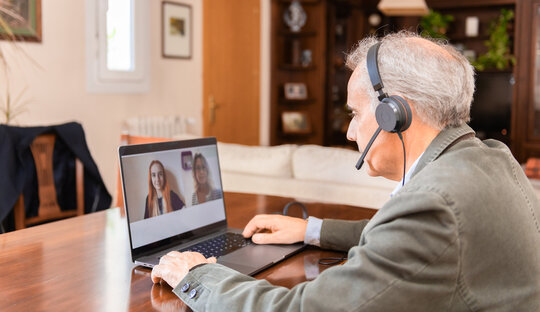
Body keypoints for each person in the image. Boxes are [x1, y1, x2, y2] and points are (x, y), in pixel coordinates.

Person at [151, 32, 540, 310]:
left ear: (395, 113)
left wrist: (196, 276)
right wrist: (311, 231)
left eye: (355, 113)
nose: (351, 131)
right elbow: (403, 236)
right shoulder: (491, 158)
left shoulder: (433, 206)